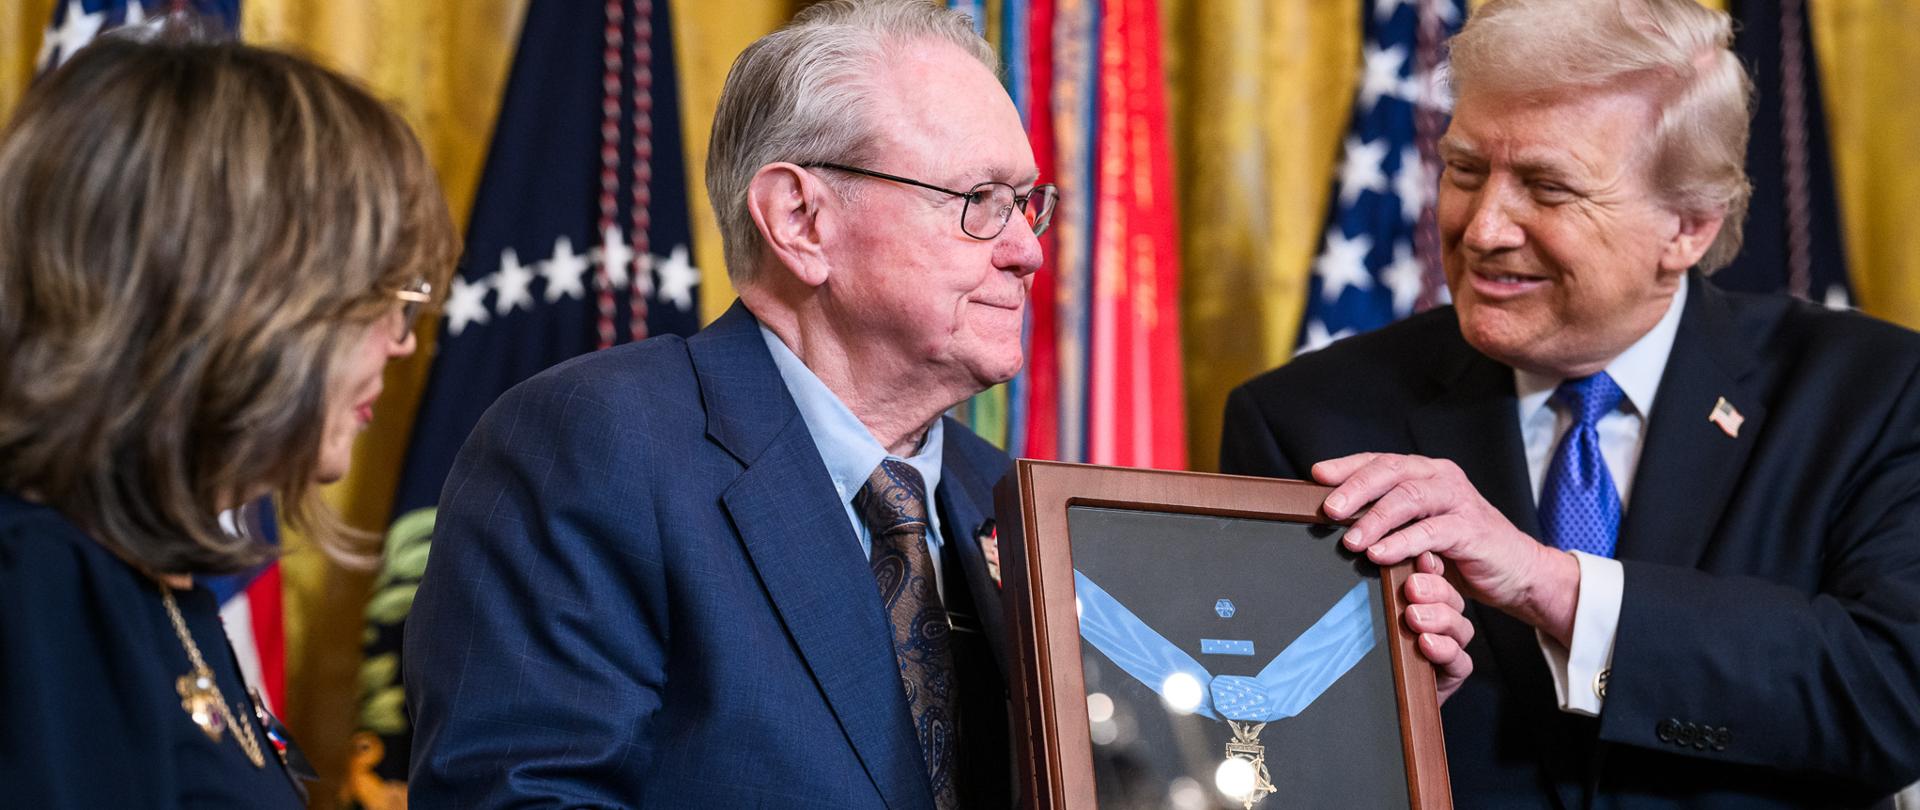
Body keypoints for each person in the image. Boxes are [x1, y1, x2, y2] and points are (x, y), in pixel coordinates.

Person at [403, 2, 1472, 806]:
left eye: (1029, 203)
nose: (1026, 250)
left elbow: (1159, 780)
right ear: (800, 218)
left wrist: (1367, 692)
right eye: (979, 203)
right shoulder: (595, 443)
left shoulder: (1010, 503)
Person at [1221, 0, 1920, 806]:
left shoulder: (1868, 393)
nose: (1483, 228)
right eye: (1466, 170)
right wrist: (1379, 707)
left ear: (1688, 227)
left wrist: (1550, 586)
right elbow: (1270, 753)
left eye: (1548, 189)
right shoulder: (1307, 422)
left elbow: (1895, 696)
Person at [0, 30, 455, 810]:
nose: (405, 339)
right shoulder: (39, 588)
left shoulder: (148, 581)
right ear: (239, 294)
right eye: (384, 292)